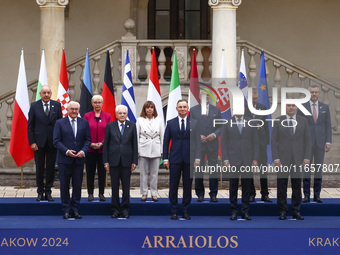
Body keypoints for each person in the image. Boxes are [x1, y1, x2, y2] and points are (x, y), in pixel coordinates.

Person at [271, 104, 311, 220]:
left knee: (297, 186)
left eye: (293, 106)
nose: (291, 108)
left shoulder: (303, 121)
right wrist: (276, 158)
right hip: (282, 159)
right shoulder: (278, 121)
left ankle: (296, 211)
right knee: (282, 185)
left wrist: (307, 157)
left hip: (298, 159)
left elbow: (307, 140)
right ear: (285, 108)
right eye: (289, 106)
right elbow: (273, 141)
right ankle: (283, 211)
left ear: (296, 108)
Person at [53, 101, 91, 219]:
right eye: (72, 109)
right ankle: (66, 209)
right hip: (64, 160)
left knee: (77, 185)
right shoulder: (59, 123)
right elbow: (56, 141)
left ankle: (75, 208)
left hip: (78, 160)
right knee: (64, 185)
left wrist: (83, 151)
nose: (74, 111)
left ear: (78, 110)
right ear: (67, 110)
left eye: (76, 109)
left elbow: (88, 140)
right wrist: (67, 151)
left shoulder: (84, 122)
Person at [163, 99, 200, 220]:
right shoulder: (171, 123)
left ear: (187, 108)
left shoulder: (194, 123)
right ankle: (173, 211)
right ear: (176, 108)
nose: (183, 109)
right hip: (175, 159)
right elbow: (166, 141)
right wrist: (165, 158)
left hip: (190, 159)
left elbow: (198, 142)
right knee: (173, 186)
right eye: (180, 107)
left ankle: (185, 210)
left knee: (187, 186)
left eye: (184, 107)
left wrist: (197, 158)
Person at [221, 113, 259, 220]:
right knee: (233, 187)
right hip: (233, 160)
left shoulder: (251, 122)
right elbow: (223, 143)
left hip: (247, 159)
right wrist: (225, 159)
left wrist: (255, 158)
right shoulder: (227, 123)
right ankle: (233, 211)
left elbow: (256, 141)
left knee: (247, 187)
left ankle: (245, 211)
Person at [27, 85, 62, 201]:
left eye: (48, 92)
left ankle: (48, 191)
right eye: (44, 92)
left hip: (52, 142)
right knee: (40, 168)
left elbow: (60, 125)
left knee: (51, 168)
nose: (46, 95)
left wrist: (58, 140)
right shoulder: (34, 106)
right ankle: (40, 191)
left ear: (51, 94)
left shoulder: (56, 105)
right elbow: (30, 126)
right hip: (38, 143)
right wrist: (32, 142)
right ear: (40, 94)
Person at [103, 105, 138, 219]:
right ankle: (115, 209)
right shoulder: (110, 126)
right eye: (120, 113)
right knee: (114, 187)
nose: (122, 115)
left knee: (126, 187)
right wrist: (106, 161)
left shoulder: (132, 126)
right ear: (116, 114)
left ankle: (125, 209)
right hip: (113, 161)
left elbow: (134, 144)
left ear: (127, 114)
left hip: (127, 161)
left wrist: (134, 161)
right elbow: (106, 145)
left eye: (124, 113)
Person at [299, 85, 332, 203]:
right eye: (312, 92)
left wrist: (328, 141)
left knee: (318, 169)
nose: (314, 94)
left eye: (316, 92)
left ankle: (317, 195)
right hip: (306, 144)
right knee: (306, 170)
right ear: (309, 94)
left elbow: (328, 125)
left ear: (319, 94)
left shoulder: (325, 107)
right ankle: (306, 195)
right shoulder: (302, 107)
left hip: (320, 143)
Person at [190, 92, 222, 203]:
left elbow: (221, 126)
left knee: (214, 170)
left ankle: (213, 194)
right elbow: (190, 126)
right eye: (203, 95)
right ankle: (200, 194)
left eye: (208, 95)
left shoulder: (216, 110)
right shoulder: (193, 110)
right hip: (199, 146)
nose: (206, 97)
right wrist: (198, 136)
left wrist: (214, 135)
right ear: (199, 97)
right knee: (198, 170)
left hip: (212, 145)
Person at [84, 95, 112, 202]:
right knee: (90, 172)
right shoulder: (87, 116)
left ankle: (101, 193)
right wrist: (90, 143)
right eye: (95, 102)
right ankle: (90, 193)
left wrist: (102, 143)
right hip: (90, 149)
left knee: (102, 172)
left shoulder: (107, 116)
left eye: (99, 102)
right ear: (92, 104)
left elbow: (109, 132)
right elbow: (84, 131)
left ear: (102, 103)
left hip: (102, 150)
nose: (97, 104)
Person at [245, 89, 272, 202]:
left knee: (263, 171)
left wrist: (266, 142)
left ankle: (264, 194)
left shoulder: (262, 107)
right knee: (249, 171)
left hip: (261, 145)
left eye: (256, 99)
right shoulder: (244, 108)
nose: (254, 101)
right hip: (248, 145)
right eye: (252, 99)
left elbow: (266, 126)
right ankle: (251, 193)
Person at [136, 101, 164, 202]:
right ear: (144, 109)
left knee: (154, 173)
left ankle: (154, 193)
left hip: (156, 148)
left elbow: (163, 136)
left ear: (154, 109)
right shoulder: (139, 120)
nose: (149, 109)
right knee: (143, 173)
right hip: (143, 148)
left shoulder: (159, 120)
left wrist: (162, 150)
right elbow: (136, 136)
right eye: (147, 107)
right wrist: (138, 150)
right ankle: (144, 193)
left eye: (151, 107)